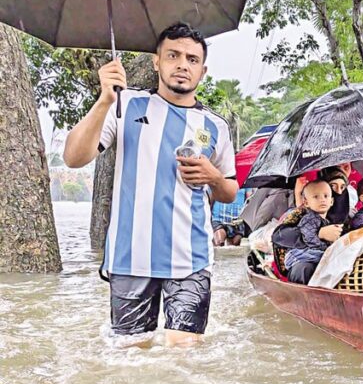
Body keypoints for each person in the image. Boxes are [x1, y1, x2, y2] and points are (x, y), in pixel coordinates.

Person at [63, 22, 238, 347]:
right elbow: (73, 158)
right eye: (173, 55)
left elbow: (229, 190)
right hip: (130, 258)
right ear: (157, 61)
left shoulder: (215, 126)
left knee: (181, 356)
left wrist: (211, 177)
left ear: (203, 70)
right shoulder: (125, 105)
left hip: (191, 259)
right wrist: (103, 101)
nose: (182, 65)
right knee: (133, 359)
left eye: (192, 59)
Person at [284, 180, 336, 284]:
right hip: (304, 257)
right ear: (306, 202)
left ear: (331, 201)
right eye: (316, 197)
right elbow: (309, 238)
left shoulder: (327, 222)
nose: (322, 200)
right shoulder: (309, 218)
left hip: (318, 255)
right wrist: (325, 248)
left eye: (326, 196)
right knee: (305, 269)